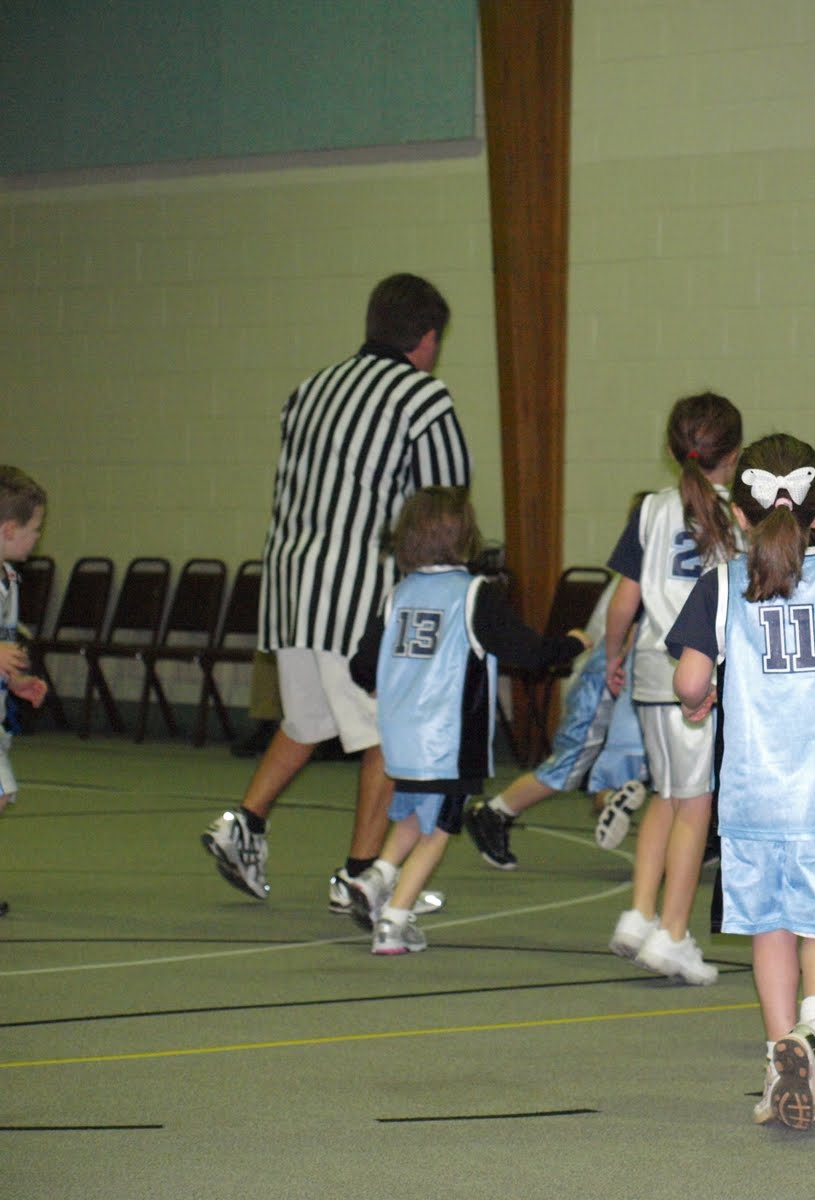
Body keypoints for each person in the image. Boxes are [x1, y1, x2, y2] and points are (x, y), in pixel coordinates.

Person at [201, 273, 472, 909]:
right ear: (427, 338)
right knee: (388, 737)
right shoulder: (422, 398)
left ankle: (244, 822)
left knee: (307, 720)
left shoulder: (309, 390)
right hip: (358, 596)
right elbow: (444, 505)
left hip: (291, 588)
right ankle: (362, 874)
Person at [668, 434, 815, 1130]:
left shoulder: (720, 585)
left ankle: (781, 1060)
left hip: (751, 798)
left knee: (768, 929)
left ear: (739, 515)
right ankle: (811, 1033)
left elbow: (689, 680)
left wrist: (700, 700)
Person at [343, 487, 588, 952]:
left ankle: (375, 878)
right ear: (465, 535)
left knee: (414, 814)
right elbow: (529, 652)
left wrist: (382, 682)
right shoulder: (474, 594)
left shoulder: (400, 594)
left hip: (401, 737)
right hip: (448, 738)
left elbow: (362, 665)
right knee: (440, 830)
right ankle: (394, 921)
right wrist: (572, 644)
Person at [604, 391, 743, 986]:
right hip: (699, 673)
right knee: (695, 803)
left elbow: (624, 600)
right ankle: (675, 932)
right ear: (733, 455)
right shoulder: (740, 516)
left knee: (667, 794)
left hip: (651, 668)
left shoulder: (651, 510)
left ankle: (639, 915)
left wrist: (612, 654)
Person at [462, 573, 650, 869]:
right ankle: (495, 811)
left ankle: (611, 799)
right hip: (609, 665)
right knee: (573, 757)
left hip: (642, 665)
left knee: (650, 756)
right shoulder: (644, 566)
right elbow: (625, 614)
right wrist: (618, 656)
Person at [0, 467, 50, 919]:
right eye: (35, 529)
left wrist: (15, 681)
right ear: (9, 529)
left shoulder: (10, 580)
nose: (38, 539)